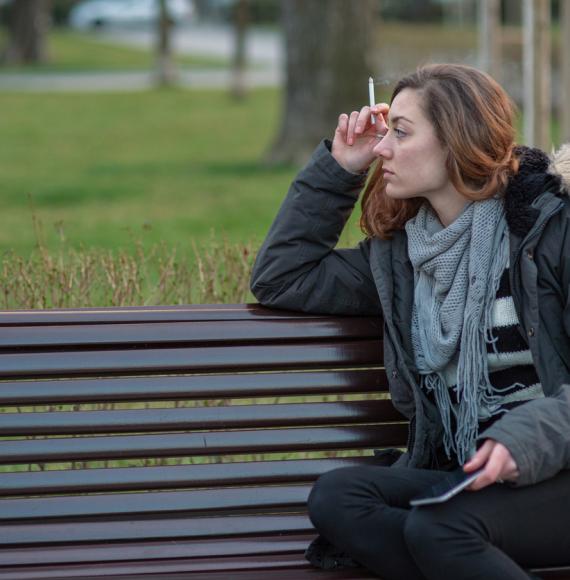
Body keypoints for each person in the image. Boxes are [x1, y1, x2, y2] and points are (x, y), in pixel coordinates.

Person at [249, 63, 570, 580]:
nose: (382, 149)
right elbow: (283, 277)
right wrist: (340, 167)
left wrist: (524, 439)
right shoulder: (404, 262)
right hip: (477, 477)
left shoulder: (551, 234)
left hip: (556, 466)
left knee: (438, 530)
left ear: (456, 141)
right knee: (339, 499)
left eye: (400, 133)